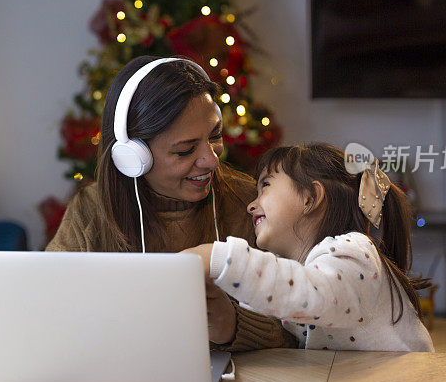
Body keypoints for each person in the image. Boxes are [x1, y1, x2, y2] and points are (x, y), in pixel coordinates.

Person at [47, 56, 297, 351]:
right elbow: (48, 315)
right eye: (185, 150)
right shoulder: (89, 212)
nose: (211, 159)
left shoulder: (253, 206)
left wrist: (234, 325)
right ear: (133, 157)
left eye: (215, 135)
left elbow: (304, 332)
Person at [183, 143, 434, 351]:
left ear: (310, 198)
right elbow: (282, 298)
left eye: (265, 187)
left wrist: (219, 257)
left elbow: (309, 295)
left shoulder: (355, 251)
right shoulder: (300, 276)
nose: (251, 205)